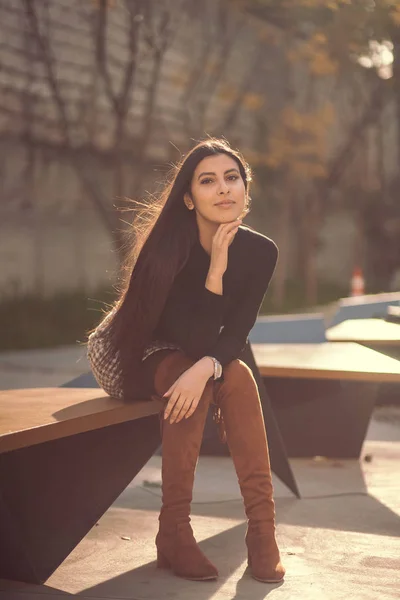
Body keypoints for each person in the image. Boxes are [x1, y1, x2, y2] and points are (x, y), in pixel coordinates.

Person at [92, 138, 285, 583]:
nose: (223, 189)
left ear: (245, 189)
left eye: (232, 178)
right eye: (208, 181)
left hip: (197, 358)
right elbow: (188, 338)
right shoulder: (167, 249)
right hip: (136, 354)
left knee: (238, 378)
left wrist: (207, 367)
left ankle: (262, 532)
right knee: (189, 374)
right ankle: (174, 530)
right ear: (188, 197)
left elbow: (236, 333)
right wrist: (215, 269)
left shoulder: (261, 252)